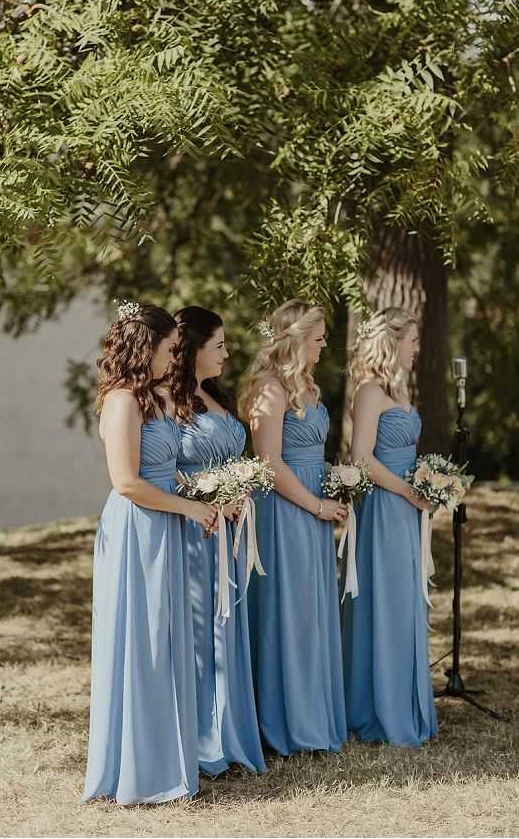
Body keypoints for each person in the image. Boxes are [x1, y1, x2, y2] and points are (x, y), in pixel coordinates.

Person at [82, 301, 216, 805]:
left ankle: (168, 759)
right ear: (146, 348)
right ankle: (140, 768)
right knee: (143, 642)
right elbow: (128, 482)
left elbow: (163, 468)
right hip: (138, 529)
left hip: (168, 522)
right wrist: (189, 508)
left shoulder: (154, 399)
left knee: (167, 640)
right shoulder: (122, 401)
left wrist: (204, 496)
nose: (171, 356)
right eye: (166, 348)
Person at [239, 299, 348, 755]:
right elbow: (268, 462)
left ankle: (313, 716)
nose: (325, 342)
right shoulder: (269, 388)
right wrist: (316, 506)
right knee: (289, 611)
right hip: (285, 510)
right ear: (298, 337)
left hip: (313, 502)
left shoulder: (307, 384)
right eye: (319, 335)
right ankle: (287, 723)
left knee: (311, 611)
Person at [169, 306, 266, 776]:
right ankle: (202, 740)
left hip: (227, 528)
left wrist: (239, 487)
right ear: (193, 351)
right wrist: (206, 493)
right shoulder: (167, 401)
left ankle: (228, 732)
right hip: (192, 529)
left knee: (225, 626)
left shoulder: (216, 396)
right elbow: (160, 470)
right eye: (220, 345)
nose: (228, 353)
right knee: (199, 629)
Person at [341, 307, 438, 746]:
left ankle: (406, 702)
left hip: (407, 506)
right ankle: (377, 710)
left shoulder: (401, 391)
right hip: (383, 507)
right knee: (386, 602)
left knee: (406, 601)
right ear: (393, 341)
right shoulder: (369, 392)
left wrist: (432, 484)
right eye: (413, 340)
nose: (417, 348)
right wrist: (406, 490)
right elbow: (360, 459)